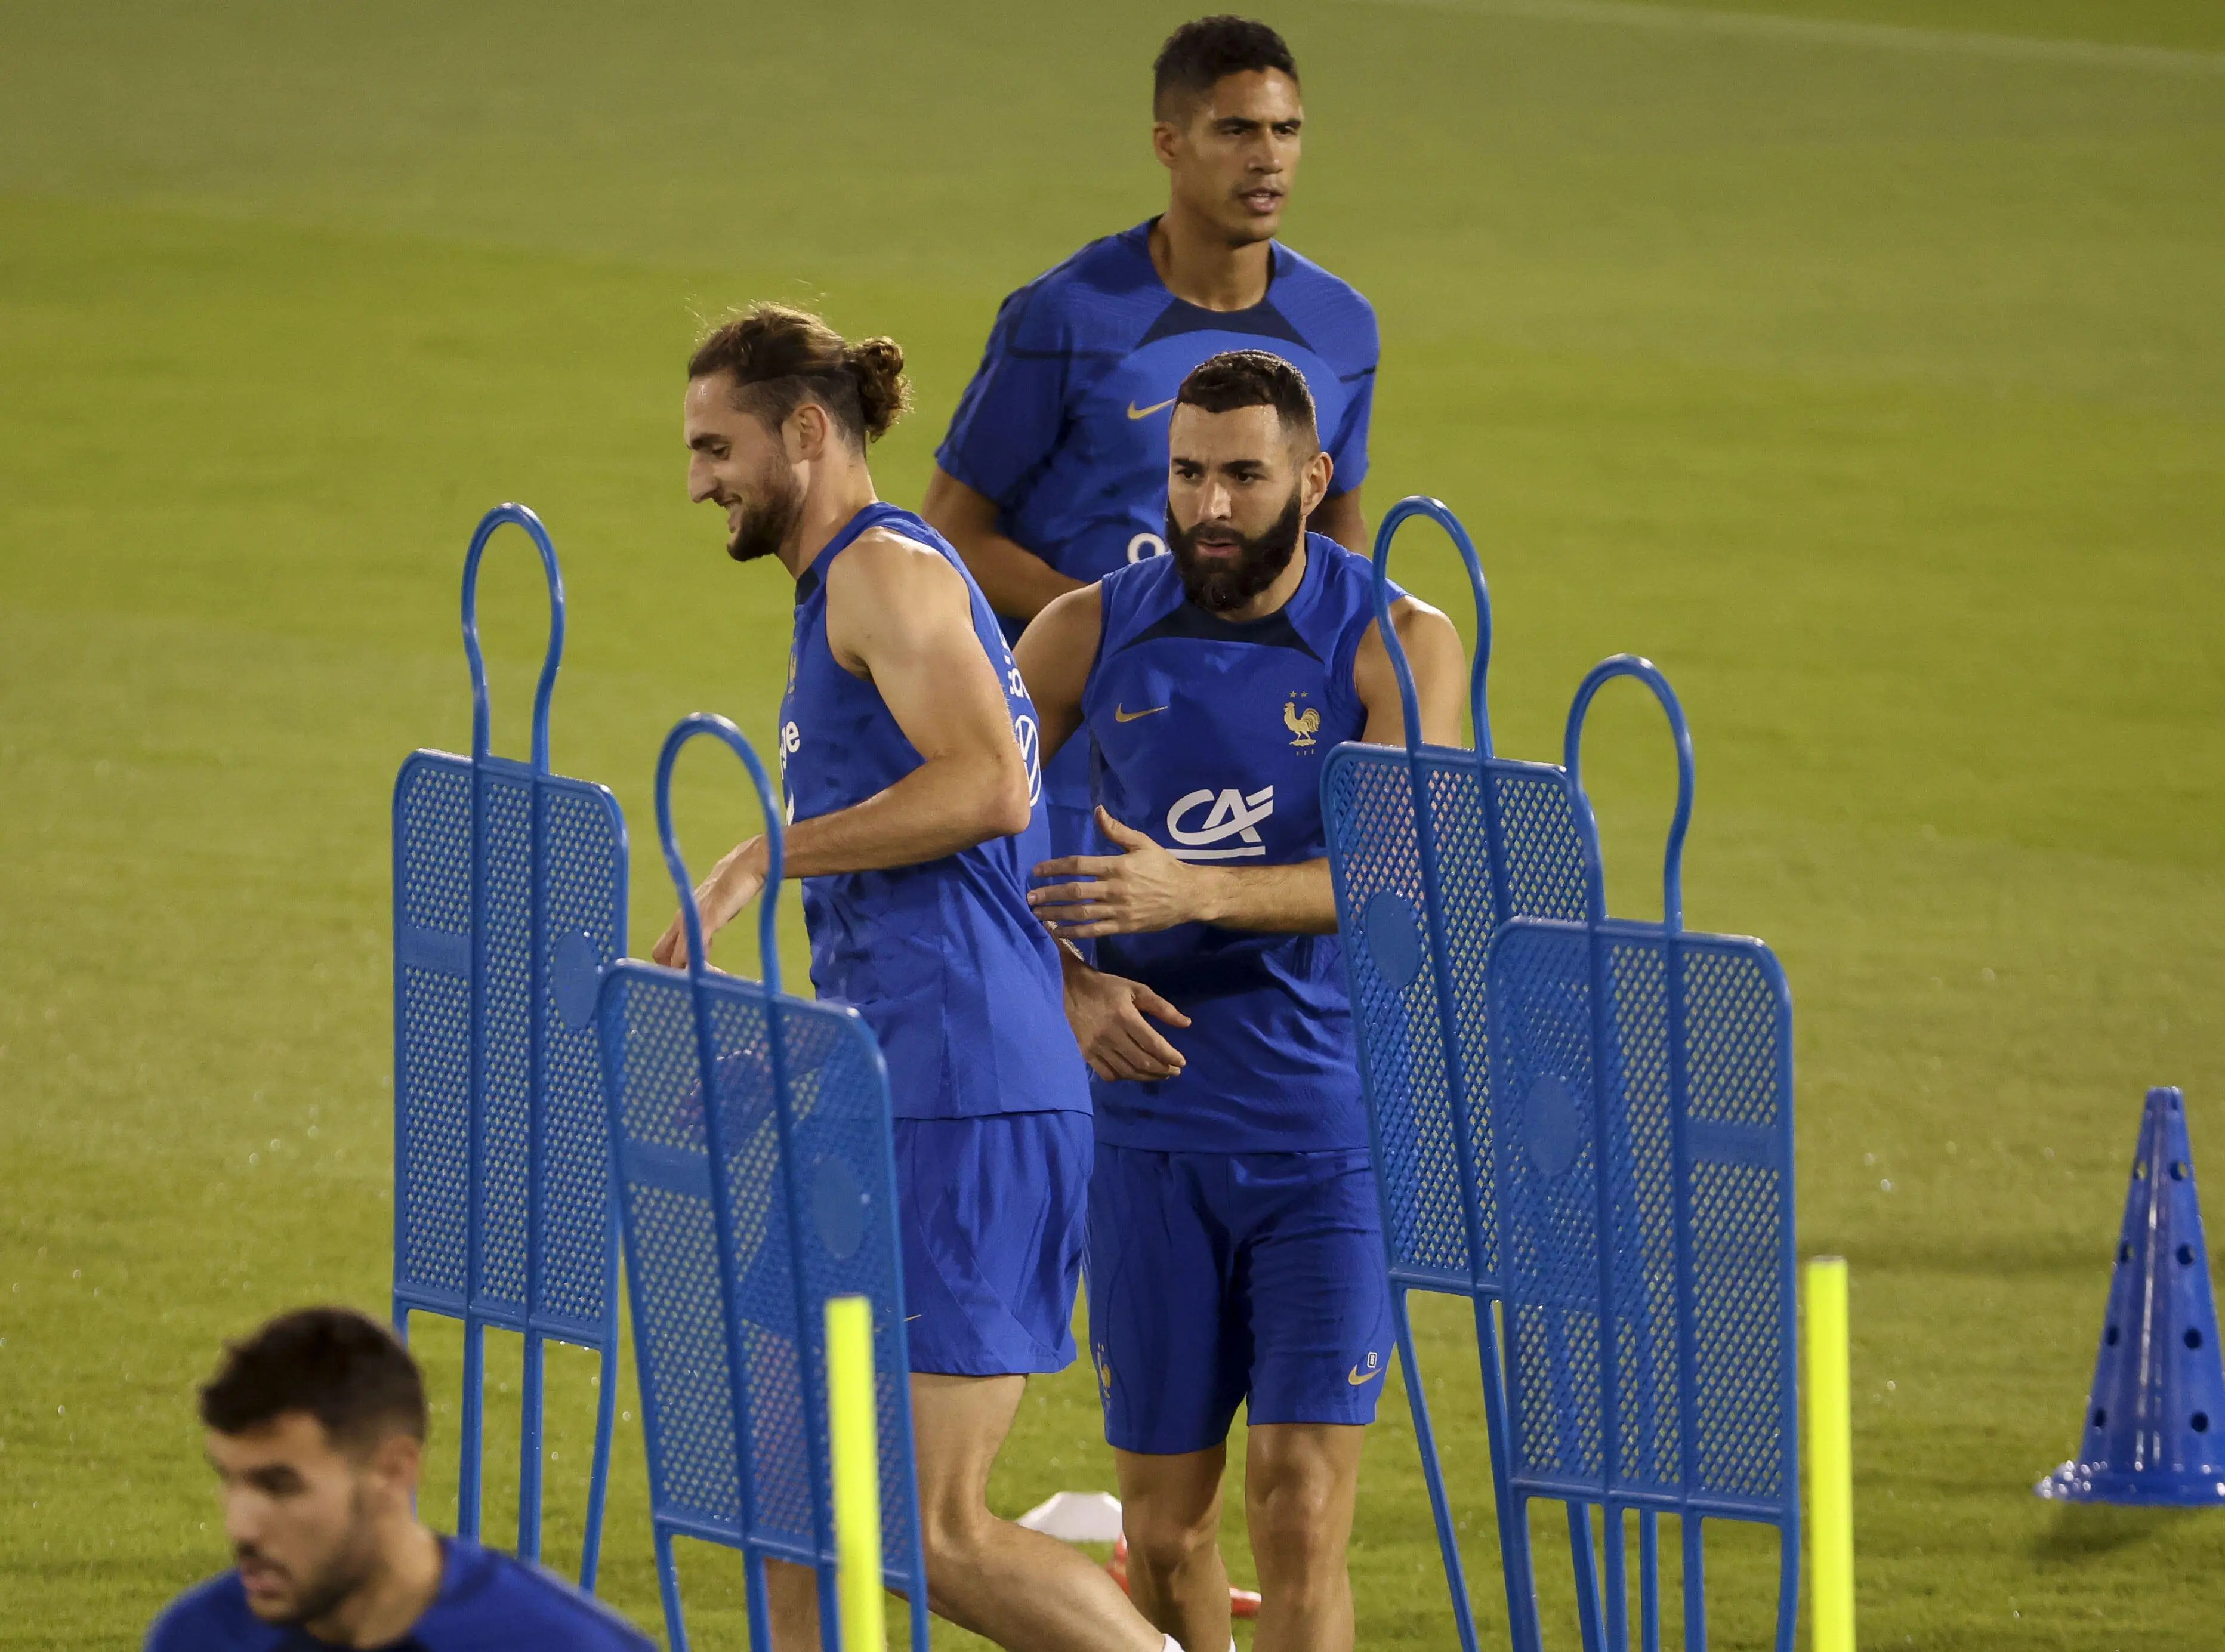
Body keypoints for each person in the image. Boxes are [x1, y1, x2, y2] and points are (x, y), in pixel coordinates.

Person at [663, 303, 1172, 1652]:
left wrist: (753, 858)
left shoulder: (882, 575)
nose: (699, 478)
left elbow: (992, 789)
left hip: (964, 1088)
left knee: (916, 1524)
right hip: (886, 1078)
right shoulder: (849, 585)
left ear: (807, 431)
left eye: (718, 446)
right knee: (784, 1497)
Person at [1014, 351, 1465, 1652]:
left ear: (1312, 480)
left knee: (1300, 1505)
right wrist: (1070, 984)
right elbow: (969, 837)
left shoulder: (1397, 641)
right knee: (1161, 1531)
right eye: (1187, 473)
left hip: (1325, 1137)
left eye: (1243, 475)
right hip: (1144, 1141)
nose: (1208, 505)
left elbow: (1395, 876)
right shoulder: (1084, 632)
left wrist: (1183, 892)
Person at [924, 14, 1378, 863]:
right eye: (1235, 129)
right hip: (1080, 735)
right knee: (1073, 971)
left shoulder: (1340, 326)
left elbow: (1337, 516)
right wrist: (1122, 628)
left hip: (1253, 734)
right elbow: (951, 527)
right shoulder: (1068, 314)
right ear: (1169, 143)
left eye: (1287, 131)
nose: (1267, 157)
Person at [145, 1307, 653, 1651]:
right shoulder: (200, 1636)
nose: (242, 1528)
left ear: (392, 1472)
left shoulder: (552, 1642)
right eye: (230, 1481)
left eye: (280, 1486)